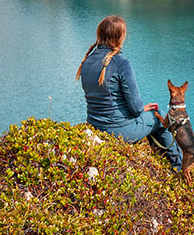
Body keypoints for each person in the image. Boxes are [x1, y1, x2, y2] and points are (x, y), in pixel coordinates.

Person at [76, 15, 182, 171]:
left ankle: (166, 165)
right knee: (158, 115)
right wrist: (144, 109)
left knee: (150, 118)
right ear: (120, 37)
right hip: (119, 131)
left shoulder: (86, 61)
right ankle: (176, 168)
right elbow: (136, 109)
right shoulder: (122, 64)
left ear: (99, 34)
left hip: (95, 126)